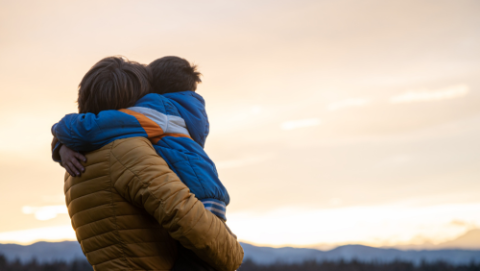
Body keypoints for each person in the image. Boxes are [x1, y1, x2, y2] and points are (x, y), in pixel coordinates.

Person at [51, 56, 243, 271]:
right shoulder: (126, 151)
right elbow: (182, 214)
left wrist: (60, 141)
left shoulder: (76, 162)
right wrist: (233, 253)